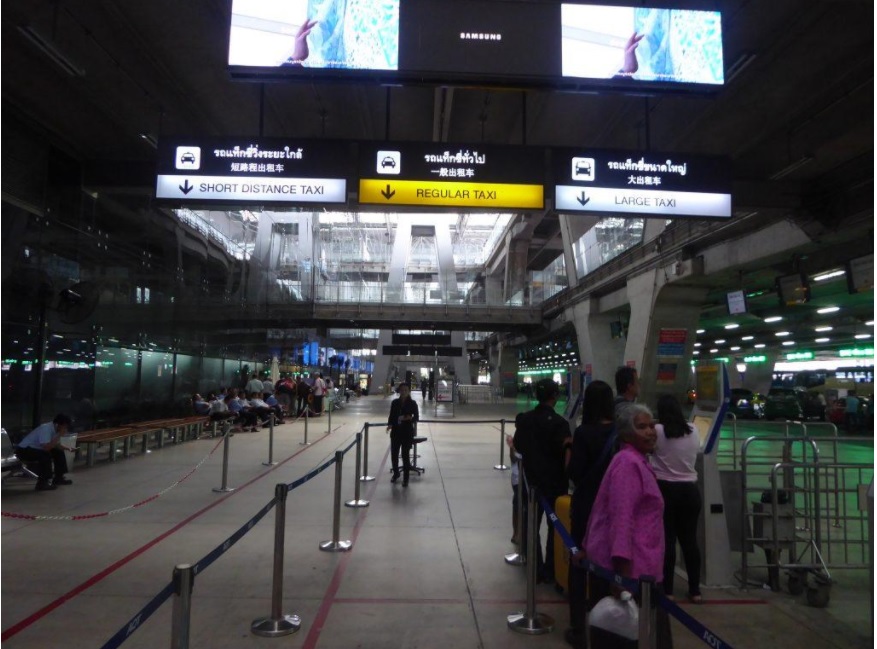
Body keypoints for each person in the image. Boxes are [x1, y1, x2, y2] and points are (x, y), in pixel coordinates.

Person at [583, 404, 672, 649]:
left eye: (652, 425)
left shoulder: (637, 461)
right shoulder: (628, 464)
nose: (650, 432)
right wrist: (620, 574)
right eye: (641, 427)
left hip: (643, 569)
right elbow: (621, 519)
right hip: (633, 573)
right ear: (625, 434)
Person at [565, 380, 617, 648]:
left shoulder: (584, 433)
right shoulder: (619, 433)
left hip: (586, 505)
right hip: (611, 507)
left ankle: (578, 628)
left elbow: (574, 473)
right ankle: (603, 625)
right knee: (603, 563)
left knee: (578, 562)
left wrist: (569, 449)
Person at [512, 378, 572, 584]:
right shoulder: (560, 424)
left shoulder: (525, 420)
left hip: (530, 483)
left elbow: (518, 447)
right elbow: (566, 454)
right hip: (555, 484)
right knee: (555, 527)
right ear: (555, 396)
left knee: (531, 526)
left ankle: (534, 567)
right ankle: (552, 569)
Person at [653, 394, 703, 603]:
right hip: (690, 491)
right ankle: (695, 590)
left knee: (668, 541)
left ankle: (668, 590)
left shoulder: (657, 431)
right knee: (689, 541)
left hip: (665, 490)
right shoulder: (694, 430)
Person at [15, 414, 75, 491]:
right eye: (64, 426)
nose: (66, 428)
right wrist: (60, 435)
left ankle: (59, 478)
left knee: (59, 452)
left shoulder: (56, 429)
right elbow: (47, 448)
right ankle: (42, 483)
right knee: (45, 455)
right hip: (24, 450)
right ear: (58, 424)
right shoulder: (46, 429)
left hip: (36, 448)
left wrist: (68, 448)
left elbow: (55, 445)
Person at [387, 383, 419, 487]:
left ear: (408, 391)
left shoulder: (412, 403)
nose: (404, 392)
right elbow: (391, 415)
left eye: (406, 390)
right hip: (396, 432)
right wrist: (390, 424)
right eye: (402, 390)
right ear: (399, 391)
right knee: (394, 455)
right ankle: (396, 473)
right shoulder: (395, 402)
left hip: (407, 432)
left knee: (405, 456)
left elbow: (416, 417)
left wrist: (409, 418)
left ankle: (406, 479)